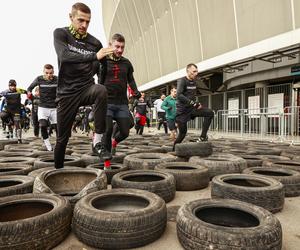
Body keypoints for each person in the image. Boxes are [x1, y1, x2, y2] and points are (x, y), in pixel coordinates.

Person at [53, 2, 114, 169]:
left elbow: (103, 67)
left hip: (87, 88)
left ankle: (98, 142)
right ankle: (57, 171)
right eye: (80, 20)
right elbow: (64, 56)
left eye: (88, 21)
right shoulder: (61, 34)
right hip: (67, 93)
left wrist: (101, 86)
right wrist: (94, 56)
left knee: (101, 90)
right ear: (71, 17)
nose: (84, 25)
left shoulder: (95, 42)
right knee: (62, 139)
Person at [101, 33, 141, 158]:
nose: (120, 50)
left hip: (121, 103)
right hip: (106, 102)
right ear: (109, 45)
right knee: (107, 131)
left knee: (125, 131)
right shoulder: (102, 61)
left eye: (122, 47)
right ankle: (106, 163)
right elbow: (94, 78)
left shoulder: (126, 63)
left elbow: (131, 79)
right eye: (117, 47)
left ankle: (115, 142)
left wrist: (135, 91)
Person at [173, 63, 214, 150]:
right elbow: (179, 95)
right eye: (194, 71)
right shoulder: (182, 81)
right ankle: (174, 150)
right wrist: (193, 103)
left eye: (197, 71)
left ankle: (203, 137)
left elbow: (190, 96)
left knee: (209, 113)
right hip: (182, 112)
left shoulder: (194, 81)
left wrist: (196, 103)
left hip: (191, 109)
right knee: (182, 134)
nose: (196, 73)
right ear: (188, 71)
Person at [27, 64, 58, 151]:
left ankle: (58, 145)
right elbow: (29, 88)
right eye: (47, 73)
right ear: (43, 72)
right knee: (43, 125)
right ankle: (48, 145)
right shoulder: (39, 79)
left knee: (57, 128)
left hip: (54, 107)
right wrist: (29, 94)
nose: (49, 75)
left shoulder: (57, 79)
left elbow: (65, 88)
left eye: (51, 73)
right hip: (43, 107)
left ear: (53, 72)